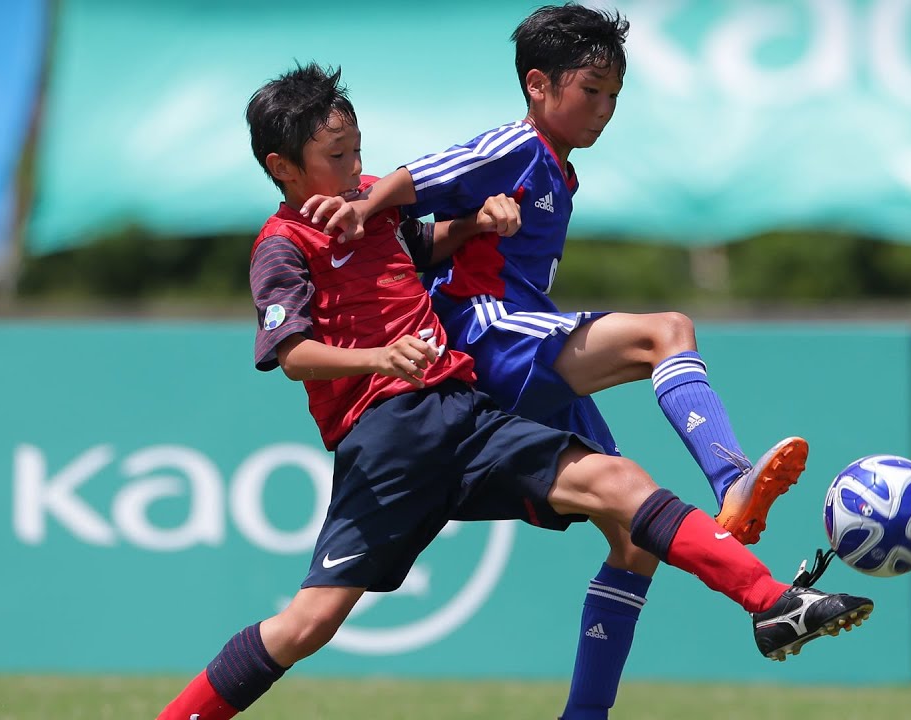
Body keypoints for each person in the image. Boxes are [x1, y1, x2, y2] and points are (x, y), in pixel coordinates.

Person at [155, 63, 872, 720]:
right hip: (388, 441)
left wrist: (476, 221)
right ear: (282, 167)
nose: (355, 169)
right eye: (335, 157)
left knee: (620, 484)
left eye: (357, 150)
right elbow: (290, 354)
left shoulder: (372, 207)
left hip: (463, 411)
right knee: (306, 626)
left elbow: (421, 248)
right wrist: (379, 356)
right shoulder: (281, 244)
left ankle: (773, 600)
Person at [306, 4, 812, 718]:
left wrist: (469, 219)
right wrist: (363, 210)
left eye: (614, 96)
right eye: (591, 90)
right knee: (666, 330)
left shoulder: (556, 170)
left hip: (512, 339)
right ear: (538, 85)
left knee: (633, 535)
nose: (603, 109)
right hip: (484, 331)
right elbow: (425, 172)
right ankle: (732, 478)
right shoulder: (518, 145)